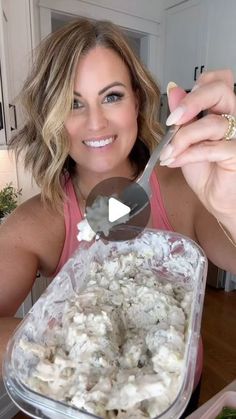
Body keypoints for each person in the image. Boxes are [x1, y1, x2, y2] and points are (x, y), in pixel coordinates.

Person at [0, 17, 236, 417]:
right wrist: (85, 344)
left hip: (176, 395)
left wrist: (229, 204)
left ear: (138, 101)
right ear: (51, 117)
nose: (95, 123)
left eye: (111, 96)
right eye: (73, 103)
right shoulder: (37, 222)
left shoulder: (185, 189)